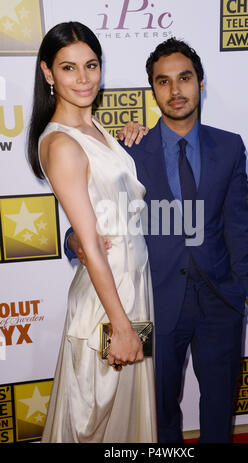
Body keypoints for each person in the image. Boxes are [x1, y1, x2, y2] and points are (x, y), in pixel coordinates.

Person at [65, 38, 248, 443]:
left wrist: (240, 287)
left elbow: (238, 223)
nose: (175, 90)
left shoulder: (230, 145)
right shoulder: (130, 152)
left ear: (200, 84)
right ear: (153, 90)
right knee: (158, 407)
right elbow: (94, 212)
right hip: (151, 302)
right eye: (163, 82)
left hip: (221, 299)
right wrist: (74, 241)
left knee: (221, 403)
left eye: (184, 78)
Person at [27, 21, 157, 443]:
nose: (83, 79)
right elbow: (91, 247)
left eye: (91, 65)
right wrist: (121, 326)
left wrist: (133, 139)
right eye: (68, 68)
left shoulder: (97, 129)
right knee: (94, 423)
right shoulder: (62, 144)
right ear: (48, 73)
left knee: (126, 419)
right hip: (108, 301)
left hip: (133, 284)